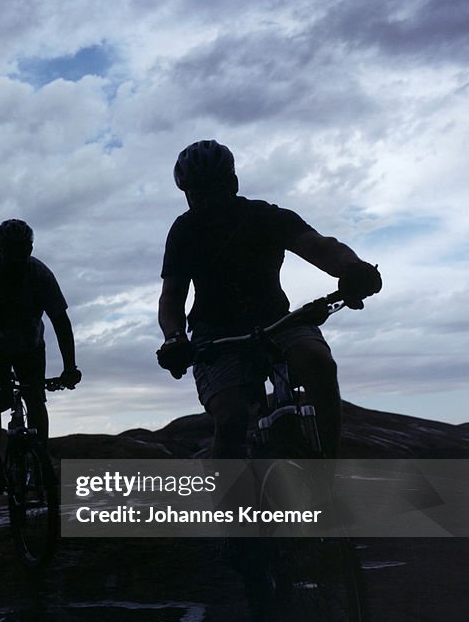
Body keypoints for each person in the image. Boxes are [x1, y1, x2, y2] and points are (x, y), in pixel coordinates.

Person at [157, 139, 381, 458]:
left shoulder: (264, 216)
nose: (205, 200)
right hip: (216, 335)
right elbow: (172, 298)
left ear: (231, 184)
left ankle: (327, 472)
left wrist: (352, 269)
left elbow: (318, 247)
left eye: (211, 188)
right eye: (197, 192)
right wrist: (175, 338)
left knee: (318, 363)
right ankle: (230, 508)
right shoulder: (184, 232)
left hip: (279, 323)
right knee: (231, 417)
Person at [0, 219, 81, 493]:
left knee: (35, 401)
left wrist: (70, 366)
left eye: (21, 251)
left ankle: (41, 458)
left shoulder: (41, 274)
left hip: (30, 347)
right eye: (9, 251)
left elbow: (61, 322)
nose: (15, 258)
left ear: (30, 248)